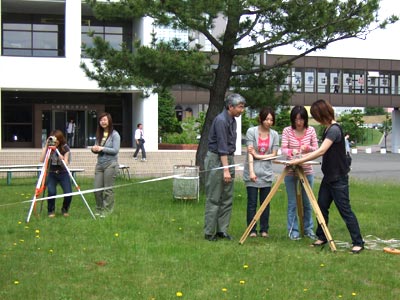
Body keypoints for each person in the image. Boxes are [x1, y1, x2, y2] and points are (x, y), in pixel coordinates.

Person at [287, 99, 364, 254]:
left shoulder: (334, 130)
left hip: (338, 179)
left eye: (316, 116)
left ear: (323, 114)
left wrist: (300, 159)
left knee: (345, 210)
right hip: (328, 177)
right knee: (321, 207)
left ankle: (358, 242)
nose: (315, 119)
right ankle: (322, 236)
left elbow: (321, 151)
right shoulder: (327, 128)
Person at [204, 93, 246, 241]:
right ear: (230, 106)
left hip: (228, 157)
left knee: (227, 197)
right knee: (214, 197)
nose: (242, 110)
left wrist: (229, 164)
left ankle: (222, 230)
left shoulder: (233, 120)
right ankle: (209, 232)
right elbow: (222, 147)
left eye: (243, 107)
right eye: (240, 107)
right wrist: (226, 170)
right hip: (217, 159)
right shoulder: (221, 120)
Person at [281, 106, 319, 240]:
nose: (299, 122)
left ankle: (308, 229)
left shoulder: (311, 131)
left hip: (307, 170)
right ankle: (293, 231)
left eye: (301, 119)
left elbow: (316, 149)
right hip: (291, 171)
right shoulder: (287, 131)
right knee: (292, 203)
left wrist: (307, 148)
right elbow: (283, 149)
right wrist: (293, 152)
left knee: (307, 202)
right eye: (296, 119)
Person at [243, 107, 279, 238]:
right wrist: (252, 172)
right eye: (266, 119)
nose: (269, 122)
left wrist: (258, 156)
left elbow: (274, 155)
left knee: (265, 203)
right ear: (261, 119)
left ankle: (264, 229)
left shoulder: (274, 135)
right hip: (252, 172)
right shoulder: (251, 132)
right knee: (252, 202)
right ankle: (251, 229)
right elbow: (250, 152)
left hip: (267, 173)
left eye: (271, 119)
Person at [91, 112, 120, 217]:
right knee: (96, 189)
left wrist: (102, 148)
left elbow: (115, 150)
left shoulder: (115, 134)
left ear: (109, 121)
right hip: (100, 164)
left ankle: (107, 211)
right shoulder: (99, 134)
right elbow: (97, 147)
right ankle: (99, 209)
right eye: (101, 120)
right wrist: (94, 149)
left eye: (105, 120)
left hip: (110, 164)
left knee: (108, 189)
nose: (103, 122)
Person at [40, 129, 72, 217]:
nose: (55, 142)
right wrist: (46, 146)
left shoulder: (65, 148)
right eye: (53, 139)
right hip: (51, 172)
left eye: (57, 139)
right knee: (51, 192)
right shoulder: (49, 147)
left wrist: (60, 158)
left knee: (68, 192)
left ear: (60, 139)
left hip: (63, 172)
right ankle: (51, 211)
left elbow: (66, 163)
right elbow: (42, 160)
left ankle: (65, 209)